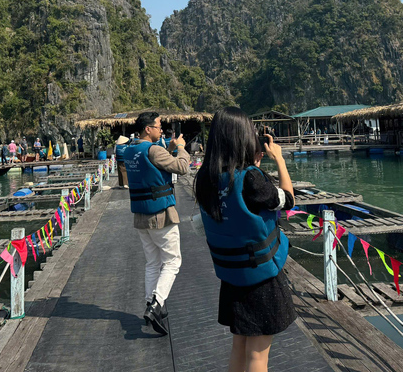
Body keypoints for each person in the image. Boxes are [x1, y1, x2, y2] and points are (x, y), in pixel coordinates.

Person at [194, 107, 296, 372]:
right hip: (260, 277)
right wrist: (279, 161)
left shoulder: (205, 178)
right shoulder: (251, 177)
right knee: (258, 357)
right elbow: (287, 199)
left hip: (231, 277)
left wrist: (254, 169)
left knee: (239, 346)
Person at [124, 112, 190, 336]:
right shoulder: (153, 149)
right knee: (172, 262)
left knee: (152, 262)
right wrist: (180, 147)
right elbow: (182, 168)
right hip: (160, 214)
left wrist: (168, 149)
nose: (161, 130)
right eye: (158, 126)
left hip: (141, 214)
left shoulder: (130, 150)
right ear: (147, 130)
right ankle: (156, 304)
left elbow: (153, 165)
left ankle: (149, 304)